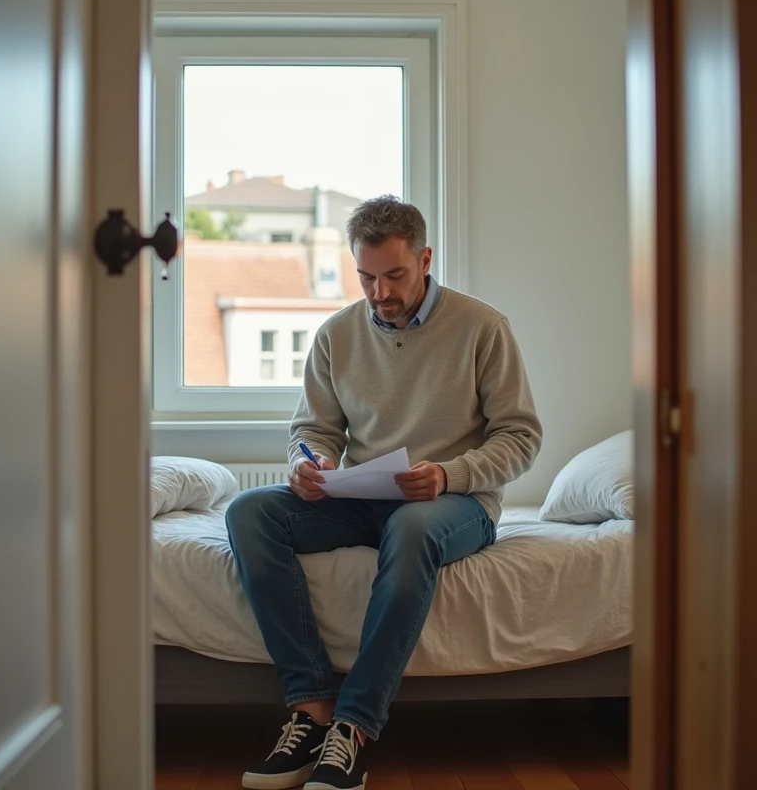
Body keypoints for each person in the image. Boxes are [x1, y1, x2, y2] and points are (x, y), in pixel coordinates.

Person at [225, 196, 542, 790]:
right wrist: (310, 462)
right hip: (362, 496)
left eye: (394, 275)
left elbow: (521, 437)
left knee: (412, 526)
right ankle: (310, 704)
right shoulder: (336, 335)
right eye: (366, 277)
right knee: (249, 513)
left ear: (424, 259)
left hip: (457, 504)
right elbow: (312, 429)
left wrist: (450, 475)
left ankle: (354, 725)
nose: (379, 293)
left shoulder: (483, 328)